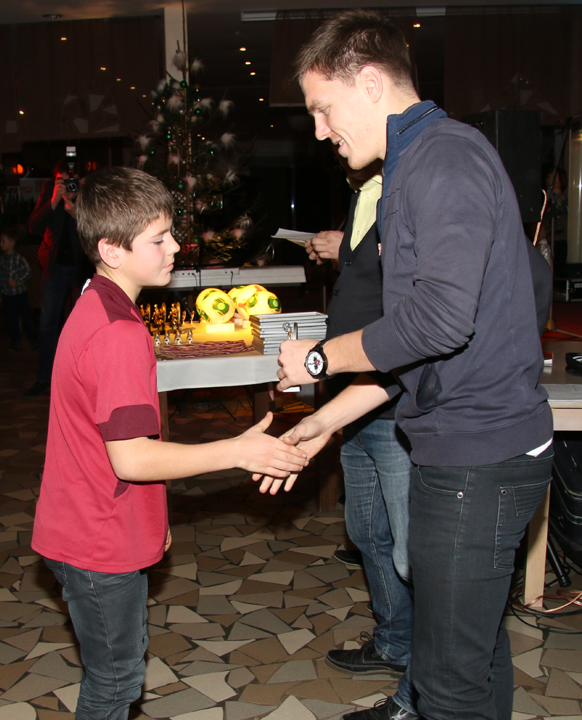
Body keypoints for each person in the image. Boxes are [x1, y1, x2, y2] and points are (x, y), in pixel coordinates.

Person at [257, 10, 554, 720]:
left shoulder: (441, 159)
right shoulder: (420, 162)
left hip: (477, 457)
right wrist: (323, 422)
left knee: (447, 685)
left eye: (323, 108)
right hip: (474, 449)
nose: (320, 131)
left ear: (369, 83)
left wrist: (322, 356)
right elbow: (416, 356)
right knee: (475, 657)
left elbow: (438, 322)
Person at [31, 167, 309, 720]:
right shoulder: (119, 333)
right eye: (158, 239)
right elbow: (132, 457)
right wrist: (237, 450)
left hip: (82, 524)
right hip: (97, 539)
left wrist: (148, 523)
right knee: (115, 684)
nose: (175, 247)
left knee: (118, 671)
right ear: (111, 250)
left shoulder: (94, 301)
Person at [306, 158, 416, 716]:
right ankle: (396, 641)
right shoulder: (363, 195)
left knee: (409, 549)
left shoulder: (410, 190)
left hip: (393, 404)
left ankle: (423, 672)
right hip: (356, 402)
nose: (325, 137)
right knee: (366, 531)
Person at [25, 158, 93, 397]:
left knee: (79, 328)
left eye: (71, 180)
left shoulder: (88, 192)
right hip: (54, 268)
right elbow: (33, 227)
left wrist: (77, 214)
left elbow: (99, 231)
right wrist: (53, 201)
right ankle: (44, 378)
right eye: (62, 180)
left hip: (81, 269)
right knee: (47, 326)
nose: (68, 184)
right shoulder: (49, 190)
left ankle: (78, 383)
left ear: (81, 179)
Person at [0, 228, 39, 351]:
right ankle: (16, 342)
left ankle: (33, 339)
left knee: (26, 317)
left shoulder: (19, 258)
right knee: (11, 319)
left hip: (20, 294)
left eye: (3, 241)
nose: (1, 244)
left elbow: (28, 272)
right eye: (0, 241)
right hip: (7, 295)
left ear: (12, 243)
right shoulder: (1, 260)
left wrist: (17, 281)